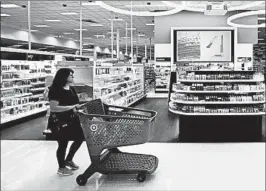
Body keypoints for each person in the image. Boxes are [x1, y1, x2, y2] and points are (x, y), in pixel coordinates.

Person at [48, 68, 84, 176]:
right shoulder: (55, 89)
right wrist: (72, 107)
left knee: (80, 138)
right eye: (70, 75)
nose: (72, 77)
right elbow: (54, 108)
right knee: (63, 144)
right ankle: (61, 167)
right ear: (64, 77)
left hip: (72, 120)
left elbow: (75, 103)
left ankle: (68, 159)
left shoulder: (71, 89)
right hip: (59, 121)